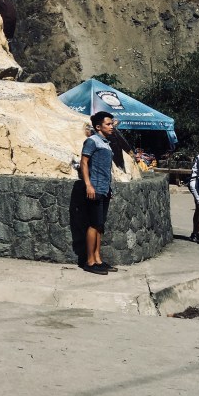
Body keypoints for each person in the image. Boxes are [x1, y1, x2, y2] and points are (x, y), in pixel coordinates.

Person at [80, 111, 116, 275]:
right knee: (93, 225)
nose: (111, 126)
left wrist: (109, 189)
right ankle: (90, 261)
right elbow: (84, 163)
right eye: (108, 124)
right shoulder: (92, 141)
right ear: (98, 127)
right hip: (94, 188)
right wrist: (88, 185)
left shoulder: (106, 143)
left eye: (111, 124)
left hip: (104, 189)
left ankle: (98, 259)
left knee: (99, 225)